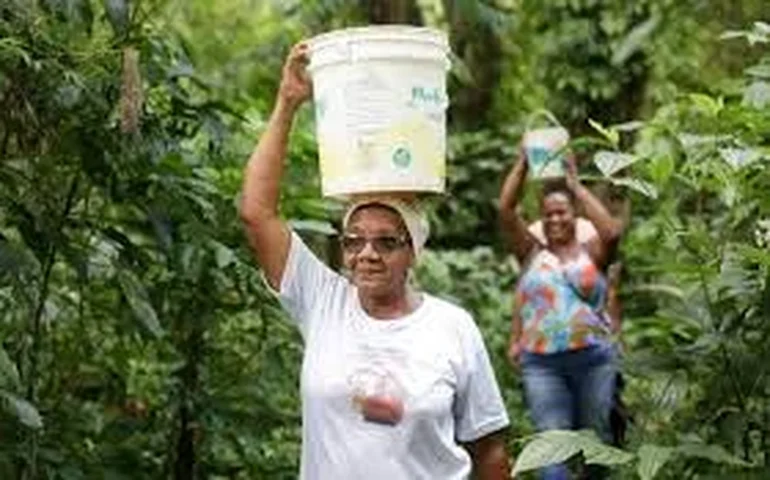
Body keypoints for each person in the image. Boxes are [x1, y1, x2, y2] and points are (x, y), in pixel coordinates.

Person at [240, 42, 511, 480]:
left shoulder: (452, 327)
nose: (366, 254)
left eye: (386, 242)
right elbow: (256, 213)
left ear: (412, 253)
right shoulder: (323, 302)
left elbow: (491, 450)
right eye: (353, 241)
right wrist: (288, 102)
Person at [499, 149, 624, 480]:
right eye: (548, 214)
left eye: (562, 212)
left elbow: (612, 232)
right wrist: (523, 164)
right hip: (542, 364)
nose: (555, 219)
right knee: (551, 446)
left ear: (574, 215)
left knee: (596, 443)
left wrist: (575, 184)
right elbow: (506, 210)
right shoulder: (532, 252)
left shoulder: (592, 252)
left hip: (594, 359)